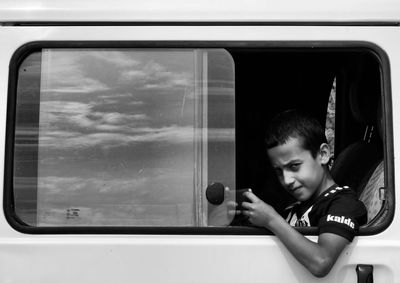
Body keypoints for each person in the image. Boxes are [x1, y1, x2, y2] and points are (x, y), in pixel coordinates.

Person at [241, 109, 367, 278]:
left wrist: (271, 219)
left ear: (323, 155)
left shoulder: (343, 203)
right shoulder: (293, 207)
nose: (287, 180)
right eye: (279, 171)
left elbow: (321, 262)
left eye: (294, 166)